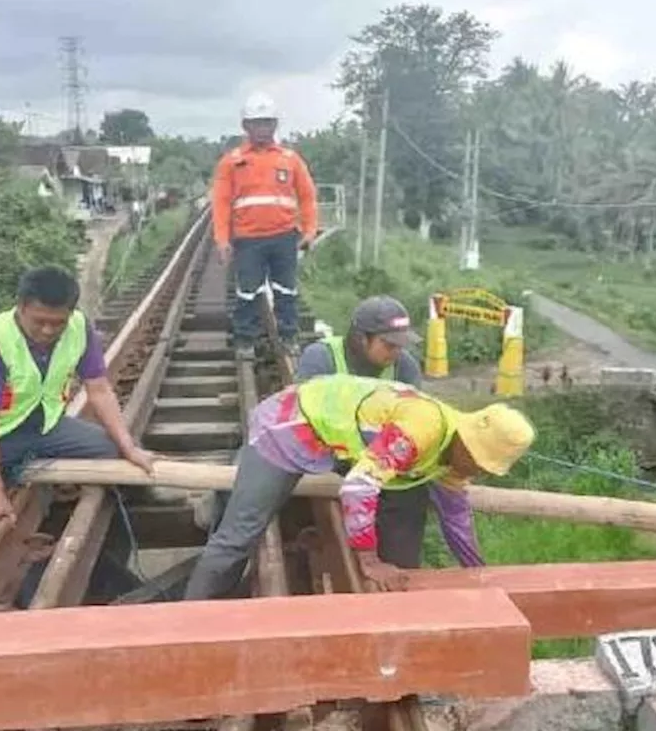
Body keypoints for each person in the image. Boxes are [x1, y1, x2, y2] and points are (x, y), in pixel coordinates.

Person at [181, 374, 536, 600]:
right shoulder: (422, 429)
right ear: (468, 442)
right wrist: (369, 561)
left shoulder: (454, 455)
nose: (478, 471)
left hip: (334, 445)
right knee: (239, 536)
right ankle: (185, 625)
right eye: (479, 462)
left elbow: (456, 519)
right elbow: (358, 487)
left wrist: (481, 576)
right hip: (290, 427)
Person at [0, 266, 156, 558]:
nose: (48, 331)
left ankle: (138, 501)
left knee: (112, 449)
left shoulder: (78, 327)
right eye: (40, 322)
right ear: (21, 307)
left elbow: (99, 390)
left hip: (42, 427)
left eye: (57, 323)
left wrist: (129, 447)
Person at [294, 296, 430, 568]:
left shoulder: (404, 367)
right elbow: (305, 420)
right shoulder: (321, 358)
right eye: (388, 344)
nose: (395, 353)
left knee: (415, 488)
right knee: (259, 471)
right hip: (327, 457)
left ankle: (402, 568)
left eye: (400, 345)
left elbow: (415, 423)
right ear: (360, 339)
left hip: (378, 462)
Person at [211, 91, 318, 360]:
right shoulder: (232, 162)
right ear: (246, 126)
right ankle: (245, 340)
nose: (262, 128)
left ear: (275, 125)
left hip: (284, 237)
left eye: (267, 122)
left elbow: (307, 196)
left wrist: (309, 230)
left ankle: (289, 337)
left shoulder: (290, 159)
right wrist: (222, 240)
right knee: (247, 291)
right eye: (256, 123)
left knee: (286, 290)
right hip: (248, 239)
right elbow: (221, 203)